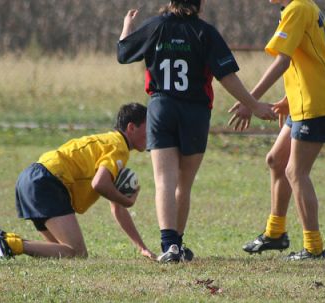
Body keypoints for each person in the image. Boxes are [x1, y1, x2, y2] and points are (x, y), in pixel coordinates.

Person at [117, 0, 276, 263]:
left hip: (162, 108)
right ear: (199, 4)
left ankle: (170, 246)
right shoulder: (205, 32)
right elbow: (227, 76)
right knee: (184, 183)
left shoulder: (155, 26)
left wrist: (128, 26)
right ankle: (176, 243)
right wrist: (254, 105)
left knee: (164, 180)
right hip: (195, 112)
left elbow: (123, 52)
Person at [229, 0, 325, 261]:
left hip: (318, 104)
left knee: (296, 171)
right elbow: (306, 60)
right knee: (276, 160)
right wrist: (288, 97)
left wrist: (251, 100)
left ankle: (314, 248)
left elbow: (283, 61)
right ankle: (275, 234)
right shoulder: (302, 7)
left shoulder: (297, 8)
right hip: (304, 101)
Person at [0, 103, 156, 261]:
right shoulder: (119, 148)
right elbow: (100, 184)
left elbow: (116, 207)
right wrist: (128, 200)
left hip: (31, 177)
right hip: (48, 181)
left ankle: (5, 242)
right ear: (131, 128)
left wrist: (142, 247)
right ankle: (6, 243)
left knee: (62, 254)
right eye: (149, 128)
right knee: (77, 253)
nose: (152, 133)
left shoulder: (108, 141)